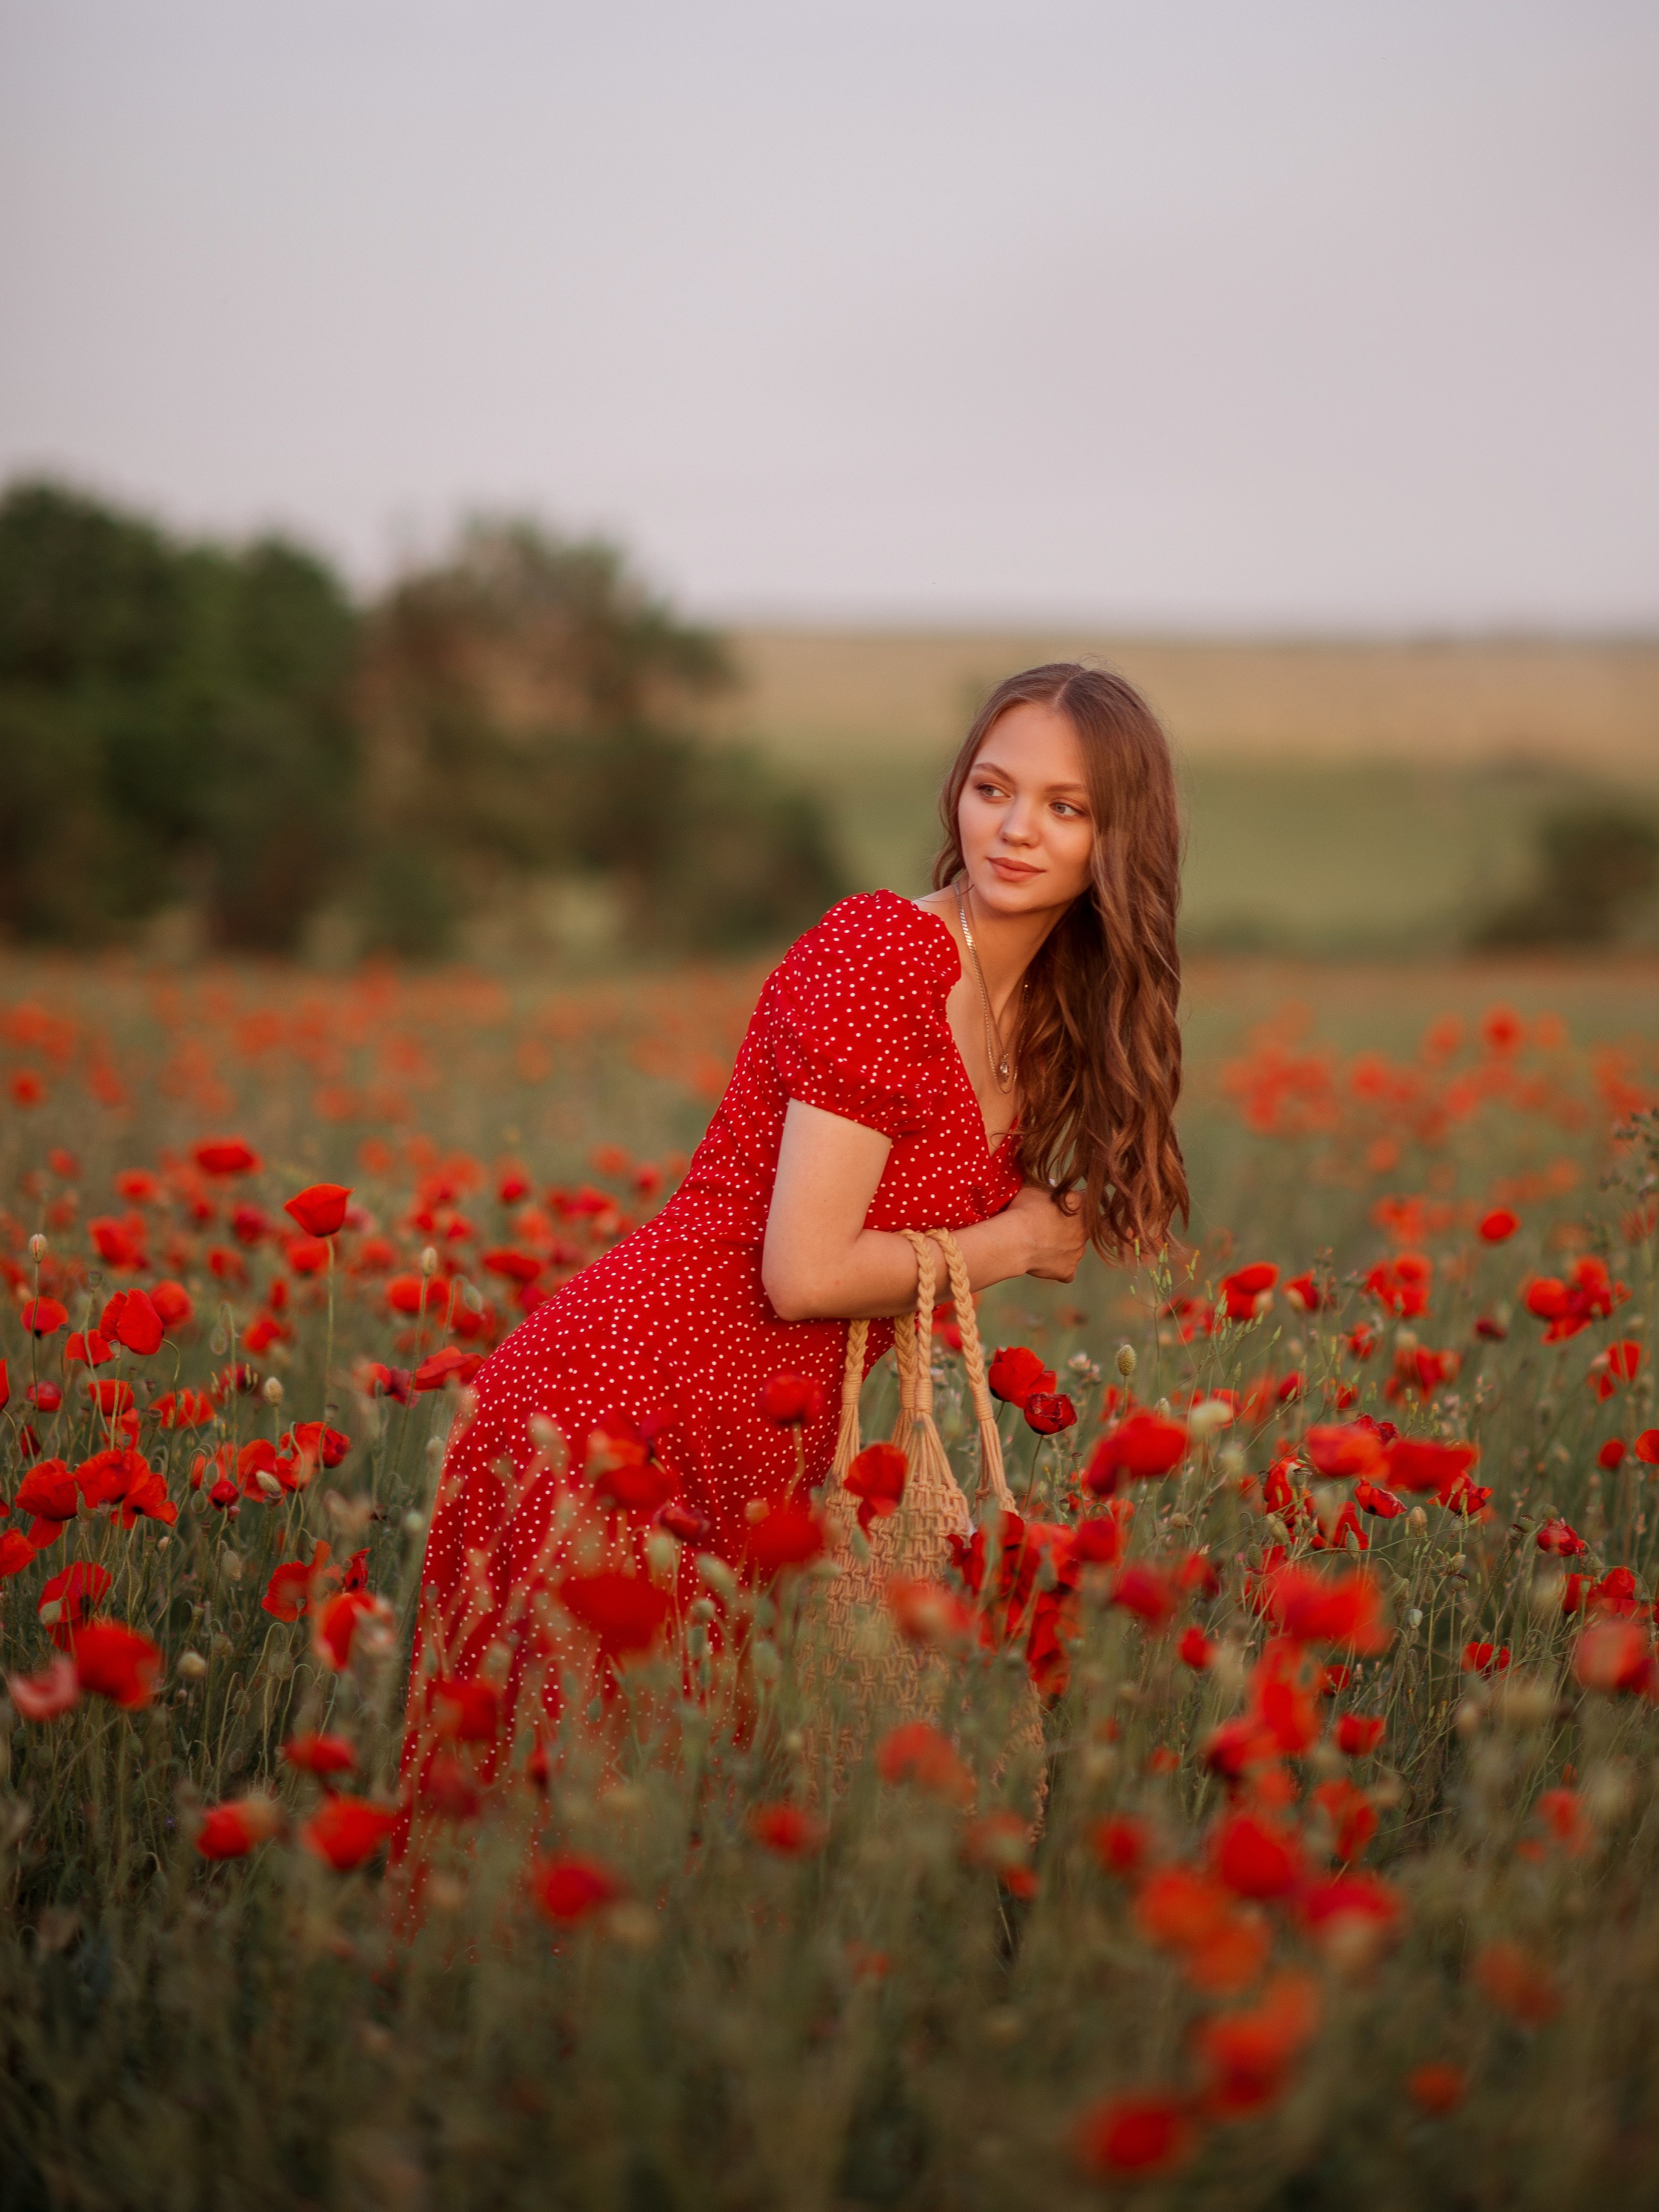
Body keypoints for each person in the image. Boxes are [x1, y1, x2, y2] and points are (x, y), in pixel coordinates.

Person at [402, 661, 1187, 1797]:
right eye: (992, 788)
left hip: (769, 1438)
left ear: (1120, 841)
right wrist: (1016, 1243)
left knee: (685, 1832)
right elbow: (807, 1272)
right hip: (624, 1408)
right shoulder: (886, 953)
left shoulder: (1049, 1016)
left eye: (1066, 809)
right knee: (571, 1828)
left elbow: (891, 1260)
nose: (1016, 830)